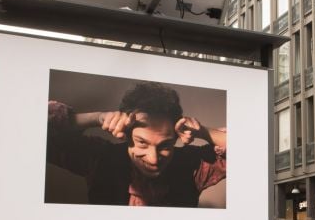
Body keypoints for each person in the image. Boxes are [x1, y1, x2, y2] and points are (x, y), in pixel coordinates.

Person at [46, 81, 226, 207]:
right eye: (141, 143)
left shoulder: (193, 166)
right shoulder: (100, 158)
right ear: (126, 135)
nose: (153, 159)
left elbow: (251, 149)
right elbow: (33, 131)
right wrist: (98, 118)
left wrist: (202, 131)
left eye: (165, 145)